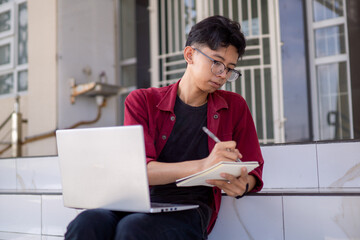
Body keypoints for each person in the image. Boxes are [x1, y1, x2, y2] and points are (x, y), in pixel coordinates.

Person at [65, 15, 264, 240]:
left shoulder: (234, 106)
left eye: (229, 69)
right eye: (216, 62)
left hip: (190, 210)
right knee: (87, 222)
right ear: (189, 55)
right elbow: (141, 170)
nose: (222, 75)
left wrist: (242, 185)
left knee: (134, 229)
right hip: (136, 202)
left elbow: (254, 170)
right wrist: (204, 165)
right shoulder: (142, 101)